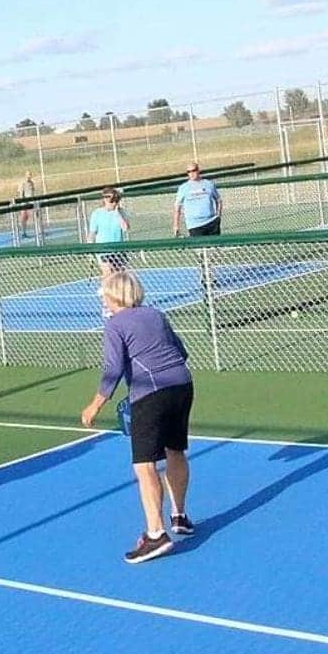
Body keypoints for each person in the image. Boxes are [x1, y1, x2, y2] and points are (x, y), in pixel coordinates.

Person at [80, 271, 194, 564]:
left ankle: (156, 535)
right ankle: (179, 516)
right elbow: (182, 351)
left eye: (104, 294)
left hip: (151, 393)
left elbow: (112, 369)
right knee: (175, 450)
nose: (103, 299)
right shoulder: (156, 315)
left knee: (144, 466)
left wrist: (95, 405)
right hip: (182, 386)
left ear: (115, 295)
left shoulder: (115, 324)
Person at [87, 188, 131, 316]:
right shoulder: (97, 214)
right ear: (105, 200)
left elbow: (126, 228)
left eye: (116, 200)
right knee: (107, 277)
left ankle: (121, 303)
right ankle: (106, 306)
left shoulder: (121, 212)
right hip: (103, 250)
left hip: (118, 250)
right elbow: (92, 233)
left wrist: (118, 213)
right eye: (112, 200)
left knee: (119, 277)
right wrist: (90, 247)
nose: (114, 203)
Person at [173, 163, 222, 237]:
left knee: (216, 246)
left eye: (193, 171)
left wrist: (218, 216)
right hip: (195, 225)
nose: (191, 173)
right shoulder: (183, 188)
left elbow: (218, 200)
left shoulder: (209, 184)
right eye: (189, 172)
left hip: (212, 222)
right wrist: (176, 226)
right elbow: (177, 207)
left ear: (198, 171)